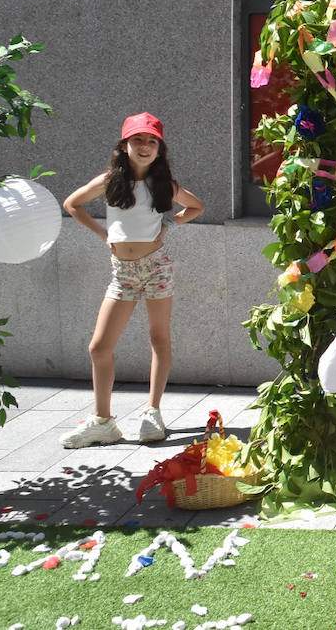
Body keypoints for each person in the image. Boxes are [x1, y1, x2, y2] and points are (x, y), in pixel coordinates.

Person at [59, 113, 204, 448]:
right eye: (137, 139)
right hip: (122, 273)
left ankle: (153, 413)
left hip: (156, 266)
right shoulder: (110, 180)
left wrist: (168, 226)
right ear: (124, 145)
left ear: (159, 149)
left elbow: (196, 207)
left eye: (151, 141)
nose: (144, 146)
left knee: (159, 338)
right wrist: (104, 235)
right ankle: (102, 422)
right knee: (99, 347)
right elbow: (72, 204)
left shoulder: (163, 183)